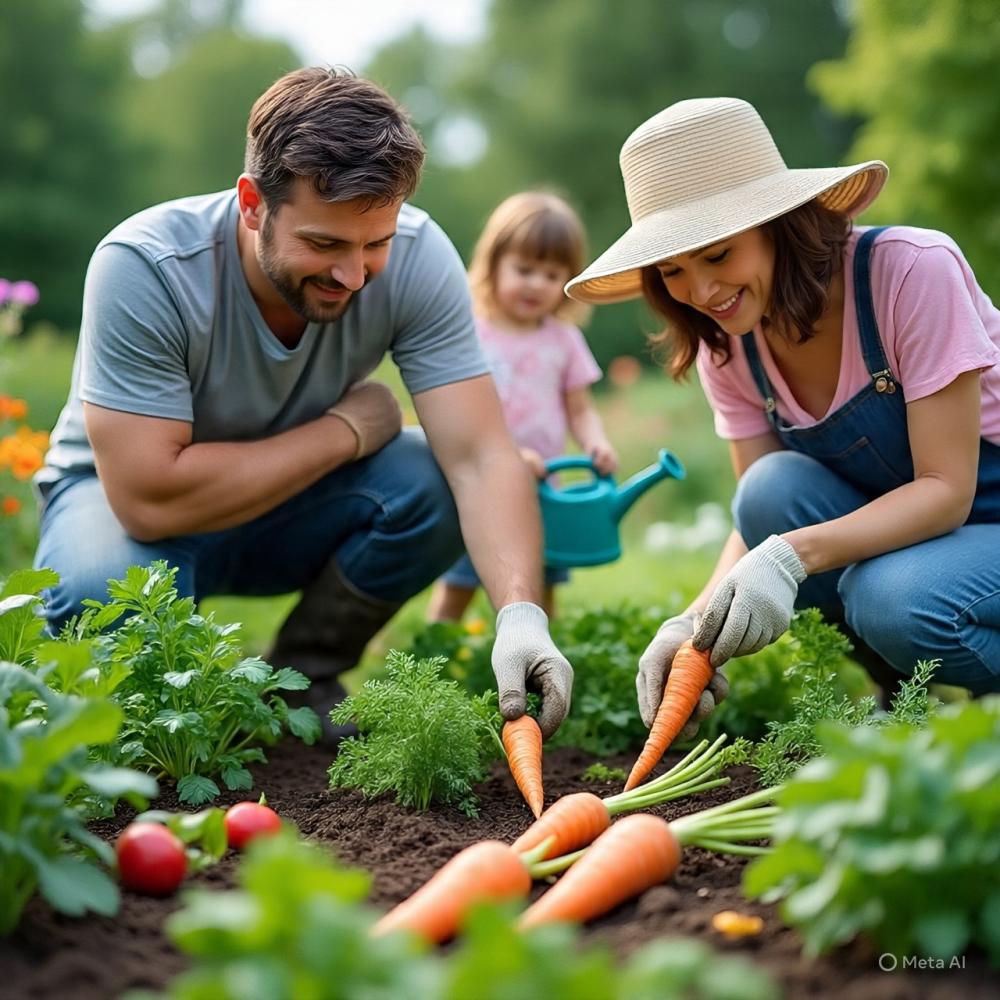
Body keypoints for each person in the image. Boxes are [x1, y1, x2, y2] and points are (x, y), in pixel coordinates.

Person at [33, 67, 575, 744]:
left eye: (375, 243)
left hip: (291, 507)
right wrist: (344, 433)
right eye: (324, 244)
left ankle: (302, 674)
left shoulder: (418, 255)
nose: (354, 275)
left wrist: (521, 617)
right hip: (121, 509)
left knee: (432, 476)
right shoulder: (146, 265)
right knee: (99, 604)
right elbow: (148, 498)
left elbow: (483, 457)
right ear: (253, 204)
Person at [565, 96, 1000, 733]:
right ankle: (908, 705)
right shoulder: (728, 345)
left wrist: (788, 557)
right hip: (926, 539)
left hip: (968, 510)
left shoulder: (910, 272)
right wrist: (693, 622)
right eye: (673, 271)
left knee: (893, 599)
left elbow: (945, 492)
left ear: (779, 223)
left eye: (718, 255)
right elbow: (761, 518)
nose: (702, 292)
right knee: (769, 490)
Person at [426, 192, 619, 623]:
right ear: (493, 263)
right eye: (524, 269)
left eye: (551, 274)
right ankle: (431, 661)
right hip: (481, 484)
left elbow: (580, 409)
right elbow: (454, 412)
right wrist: (511, 456)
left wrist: (596, 442)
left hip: (546, 488)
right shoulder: (470, 331)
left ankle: (537, 664)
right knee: (460, 581)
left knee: (540, 584)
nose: (536, 284)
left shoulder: (564, 340)